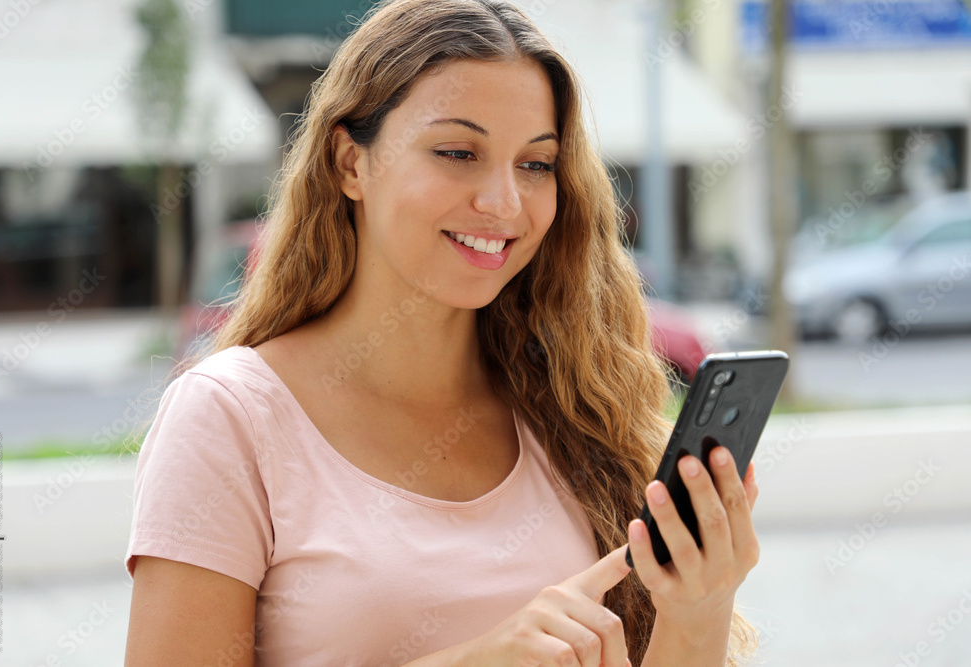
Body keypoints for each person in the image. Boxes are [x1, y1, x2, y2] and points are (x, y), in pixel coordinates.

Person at [123, 1, 762, 665]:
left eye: (536, 164)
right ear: (350, 162)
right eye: (458, 152)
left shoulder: (572, 412)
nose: (504, 202)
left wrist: (698, 609)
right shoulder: (230, 417)